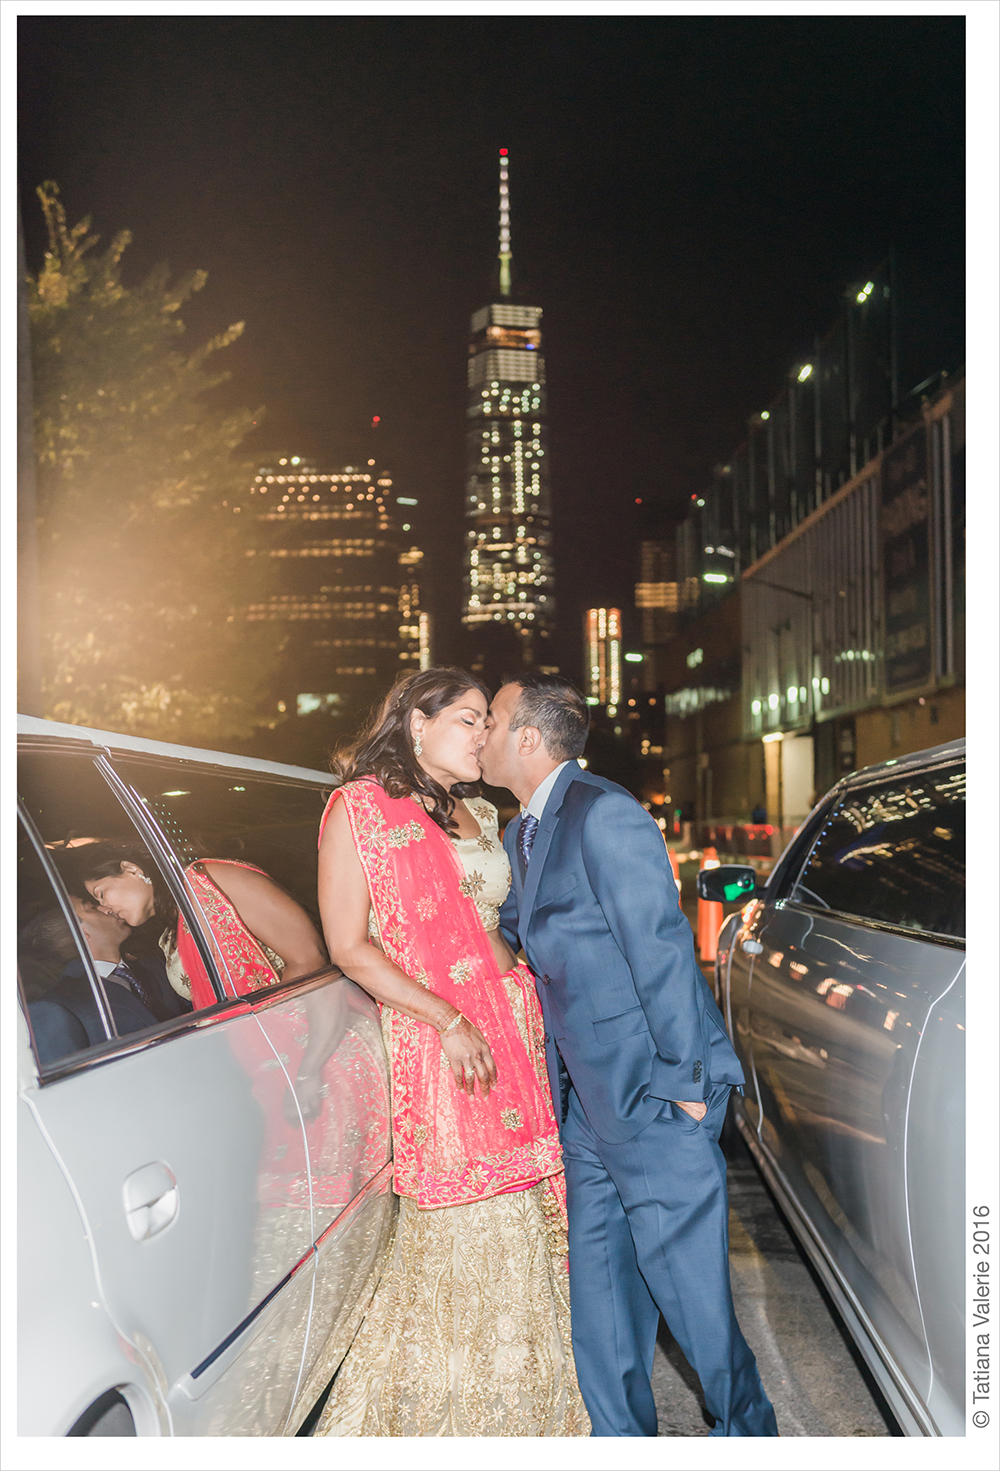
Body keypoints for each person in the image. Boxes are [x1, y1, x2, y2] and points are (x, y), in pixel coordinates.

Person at [477, 672, 779, 1438]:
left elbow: (664, 952)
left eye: (495, 720)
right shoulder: (524, 831)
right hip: (585, 1105)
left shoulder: (605, 815)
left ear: (531, 739)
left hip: (651, 1091)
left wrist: (681, 1086)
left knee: (693, 1302)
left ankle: (748, 1431)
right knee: (603, 1301)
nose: (481, 733)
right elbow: (516, 935)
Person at [312, 667, 589, 1437]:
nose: (482, 734)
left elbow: (495, 924)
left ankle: (534, 1406)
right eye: (468, 718)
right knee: (474, 1228)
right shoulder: (359, 808)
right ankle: (459, 1420)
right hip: (441, 1039)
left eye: (484, 721)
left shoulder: (478, 809)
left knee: (529, 1220)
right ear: (415, 722)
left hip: (512, 1028)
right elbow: (348, 944)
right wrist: (447, 1017)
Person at [23, 896, 190, 1064]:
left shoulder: (154, 966)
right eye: (92, 908)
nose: (107, 908)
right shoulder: (58, 1006)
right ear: (81, 934)